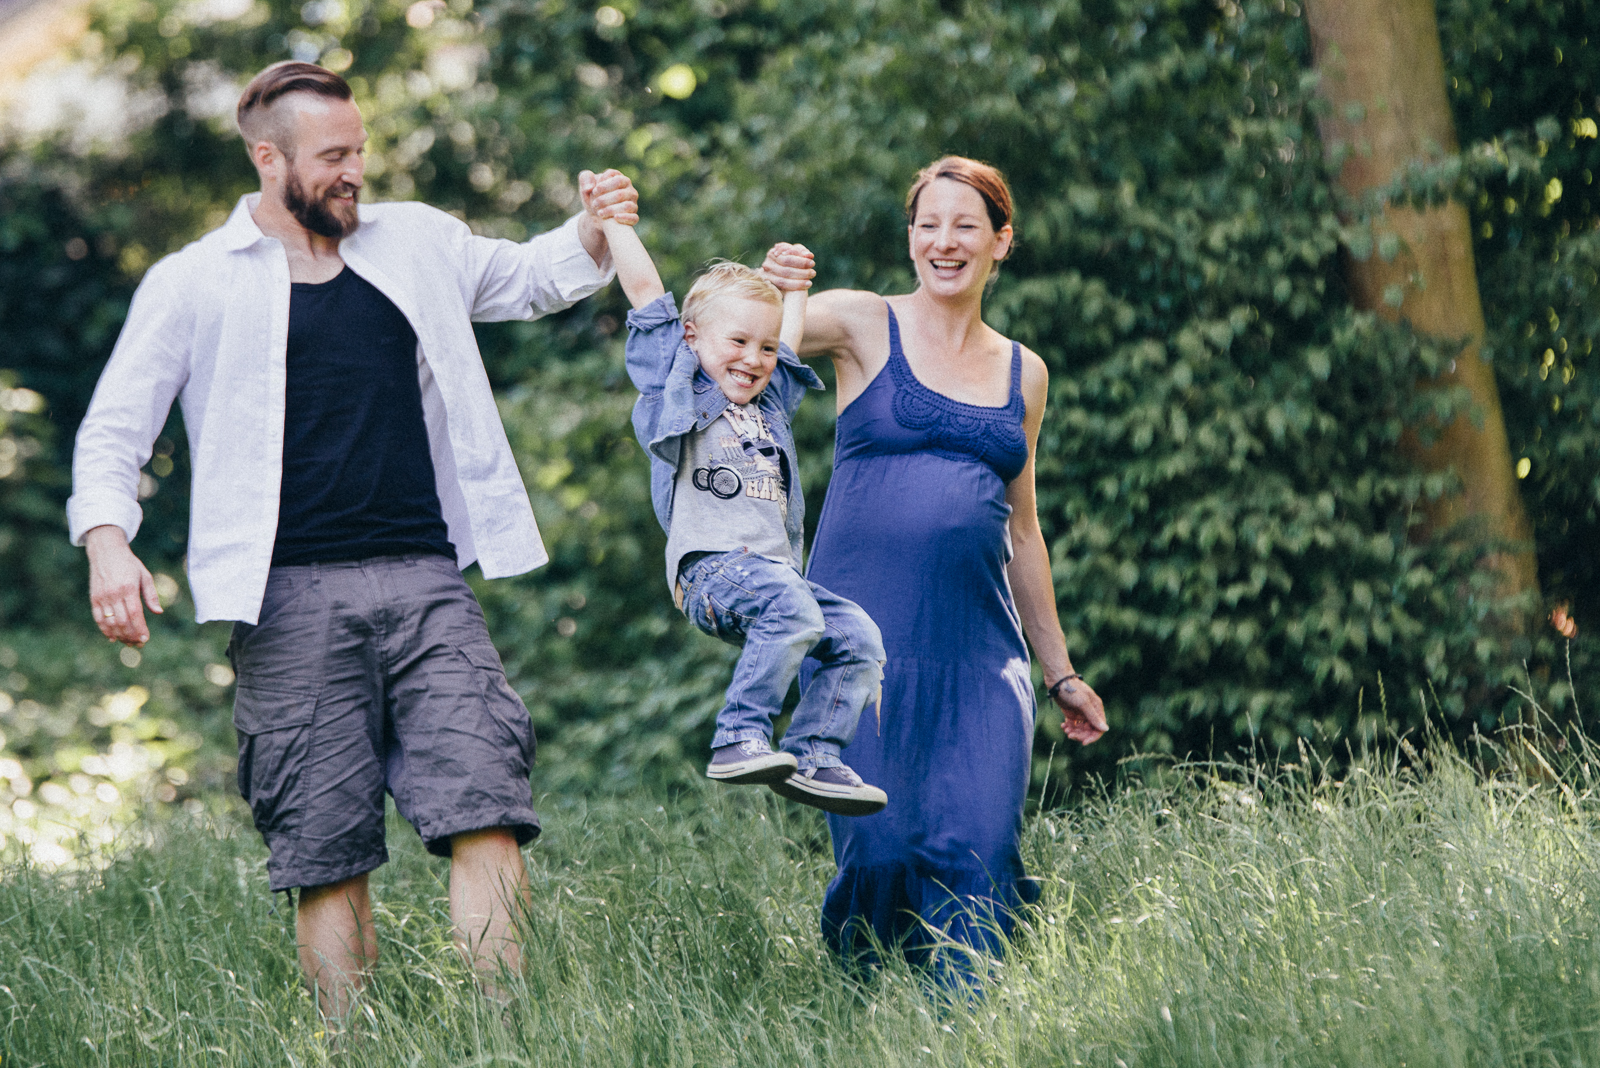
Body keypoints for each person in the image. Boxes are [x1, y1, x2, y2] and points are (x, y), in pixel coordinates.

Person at [66, 61, 638, 1019]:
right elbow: (115, 428)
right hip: (287, 599)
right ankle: (350, 1042)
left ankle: (511, 1032)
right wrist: (107, 542)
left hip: (427, 579)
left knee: (486, 804)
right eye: (333, 156)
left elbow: (534, 277)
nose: (354, 172)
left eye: (360, 151)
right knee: (324, 848)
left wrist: (591, 227)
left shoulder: (414, 240)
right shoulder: (193, 282)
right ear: (268, 159)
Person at [761, 156, 1110, 982]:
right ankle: (868, 1009)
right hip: (859, 651)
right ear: (910, 237)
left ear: (1001, 242)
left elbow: (1023, 532)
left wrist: (1059, 673)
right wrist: (772, 287)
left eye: (964, 225)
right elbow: (740, 338)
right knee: (878, 852)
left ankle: (969, 1028)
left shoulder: (1025, 371)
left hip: (980, 656)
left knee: (978, 851)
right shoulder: (857, 322)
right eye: (928, 224)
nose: (944, 241)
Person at [597, 211, 888, 815]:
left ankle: (815, 755)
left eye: (763, 347)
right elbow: (649, 299)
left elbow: (785, 342)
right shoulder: (674, 387)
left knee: (858, 636)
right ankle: (738, 738)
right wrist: (614, 222)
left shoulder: (768, 401)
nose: (754, 359)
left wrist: (796, 290)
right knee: (792, 607)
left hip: (776, 578)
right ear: (691, 338)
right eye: (737, 342)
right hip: (712, 572)